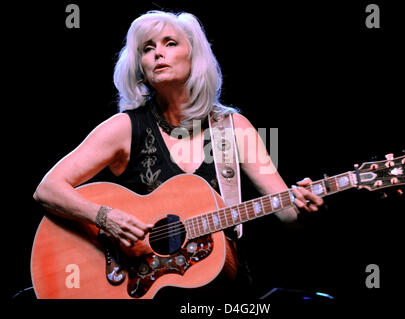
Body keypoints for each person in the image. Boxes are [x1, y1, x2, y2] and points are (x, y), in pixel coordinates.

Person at [33, 10, 323, 299]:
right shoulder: (124, 128)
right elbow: (48, 189)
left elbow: (287, 213)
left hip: (225, 296)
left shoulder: (233, 129)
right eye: (148, 48)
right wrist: (106, 218)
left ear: (194, 57)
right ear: (140, 66)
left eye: (170, 43)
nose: (158, 53)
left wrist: (303, 207)